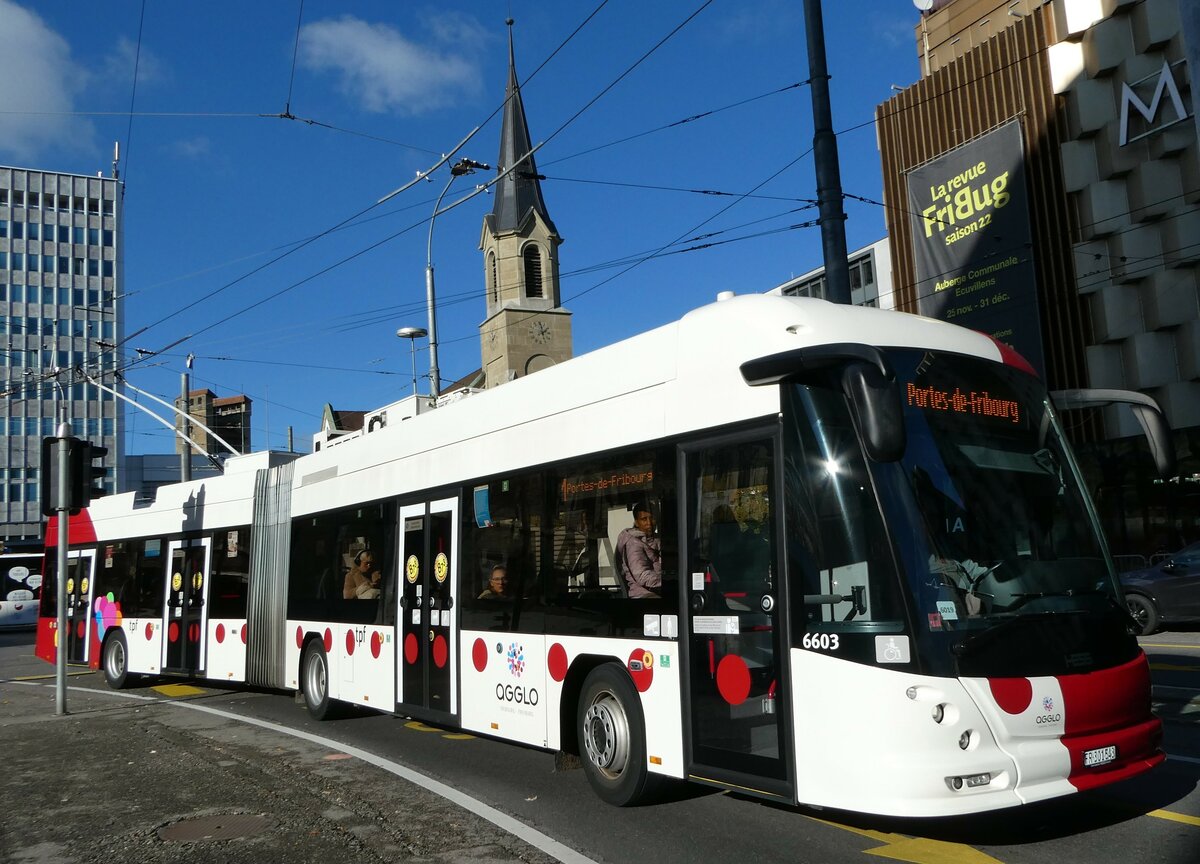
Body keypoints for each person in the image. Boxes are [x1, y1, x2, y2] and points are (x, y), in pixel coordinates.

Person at [617, 503, 662, 598]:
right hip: (644, 594)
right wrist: (667, 581)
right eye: (644, 519)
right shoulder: (633, 543)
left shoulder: (657, 539)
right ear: (637, 522)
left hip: (660, 590)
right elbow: (642, 576)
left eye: (652, 518)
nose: (649, 523)